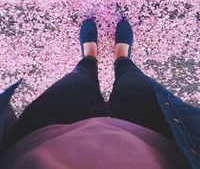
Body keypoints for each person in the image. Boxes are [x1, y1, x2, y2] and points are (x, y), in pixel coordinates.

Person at [0, 18, 199, 169]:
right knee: (131, 79)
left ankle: (89, 57)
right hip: (158, 132)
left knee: (79, 80)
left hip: (44, 134)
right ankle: (122, 58)